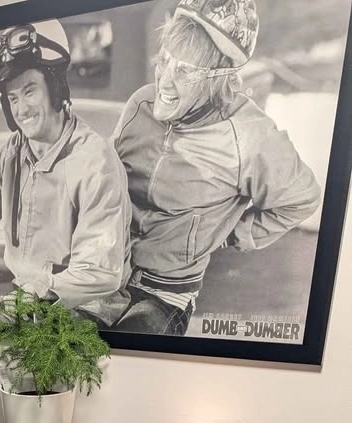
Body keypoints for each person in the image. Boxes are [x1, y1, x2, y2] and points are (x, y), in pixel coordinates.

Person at [113, 0, 322, 335]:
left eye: (184, 71)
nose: (165, 82)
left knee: (127, 345)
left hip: (164, 295)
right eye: (164, 60)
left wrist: (235, 234)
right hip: (107, 275)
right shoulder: (140, 104)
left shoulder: (250, 136)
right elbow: (108, 181)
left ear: (217, 78)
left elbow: (302, 198)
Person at [0, 20, 132, 323]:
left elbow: (98, 272)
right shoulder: (12, 153)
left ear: (55, 89)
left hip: (88, 308)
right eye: (12, 98)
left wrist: (33, 293)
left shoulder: (94, 161)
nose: (21, 109)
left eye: (29, 92)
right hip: (29, 298)